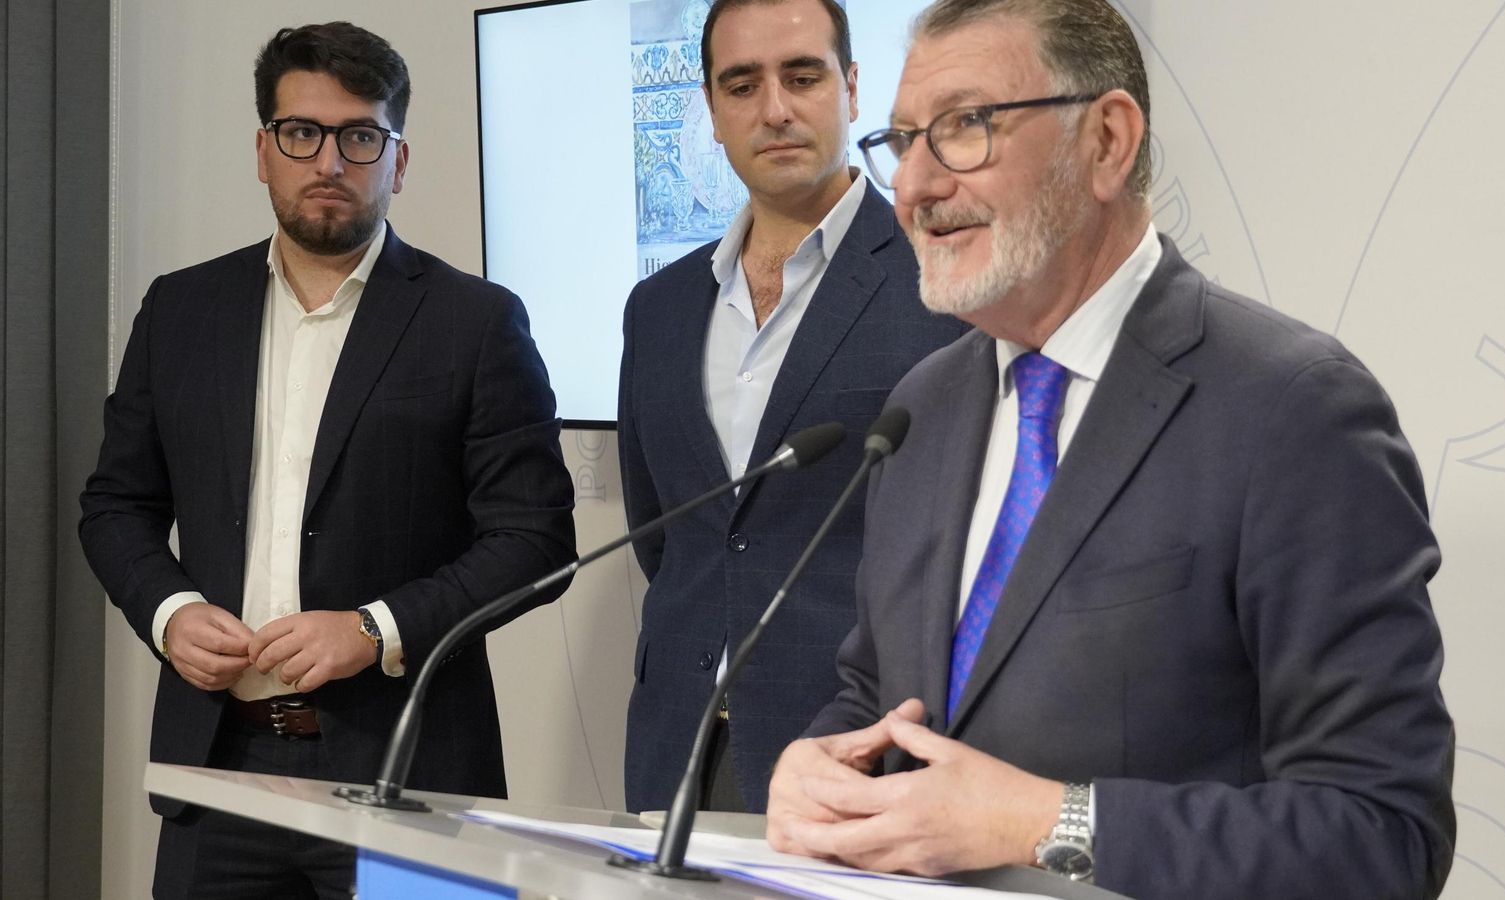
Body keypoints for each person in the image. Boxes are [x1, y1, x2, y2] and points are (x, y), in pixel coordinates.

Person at [764, 2, 1456, 897]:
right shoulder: (920, 411)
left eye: (965, 128)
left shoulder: (1295, 409)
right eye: (901, 142)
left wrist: (1046, 823)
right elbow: (877, 699)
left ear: (1106, 141)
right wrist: (819, 770)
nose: (916, 187)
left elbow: (1382, 836)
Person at [79, 22, 576, 899]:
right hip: (216, 770)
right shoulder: (182, 311)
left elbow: (536, 541)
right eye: (301, 133)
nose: (330, 162)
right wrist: (169, 612)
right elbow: (115, 505)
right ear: (264, 150)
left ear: (398, 156)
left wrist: (373, 629)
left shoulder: (475, 322)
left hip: (411, 774)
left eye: (360, 137)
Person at [618, 0, 967, 814]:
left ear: (850, 89)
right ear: (710, 109)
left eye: (801, 76)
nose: (773, 109)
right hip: (680, 746)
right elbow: (664, 532)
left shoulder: (939, 283)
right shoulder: (658, 308)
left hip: (862, 749)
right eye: (741, 85)